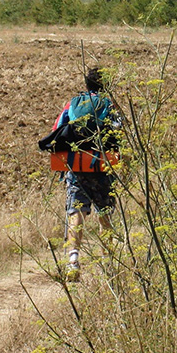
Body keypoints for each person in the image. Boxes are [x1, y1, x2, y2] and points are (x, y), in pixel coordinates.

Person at [52, 67, 120, 281]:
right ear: (105, 85)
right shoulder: (108, 105)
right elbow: (119, 132)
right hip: (102, 166)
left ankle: (73, 260)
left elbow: (57, 130)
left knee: (76, 213)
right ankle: (108, 264)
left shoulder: (73, 104)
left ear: (86, 84)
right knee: (105, 215)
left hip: (77, 166)